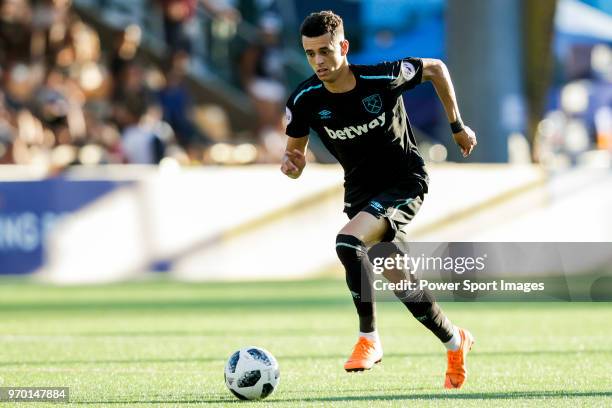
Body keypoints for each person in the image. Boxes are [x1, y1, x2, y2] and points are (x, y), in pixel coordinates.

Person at [280, 10, 477, 389]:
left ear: (344, 46)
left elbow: (435, 68)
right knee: (401, 281)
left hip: (404, 183)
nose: (319, 61)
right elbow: (296, 154)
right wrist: (293, 163)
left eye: (325, 51)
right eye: (310, 54)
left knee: (347, 241)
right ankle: (456, 341)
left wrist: (457, 126)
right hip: (360, 194)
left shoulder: (380, 77)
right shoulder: (304, 99)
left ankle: (368, 339)